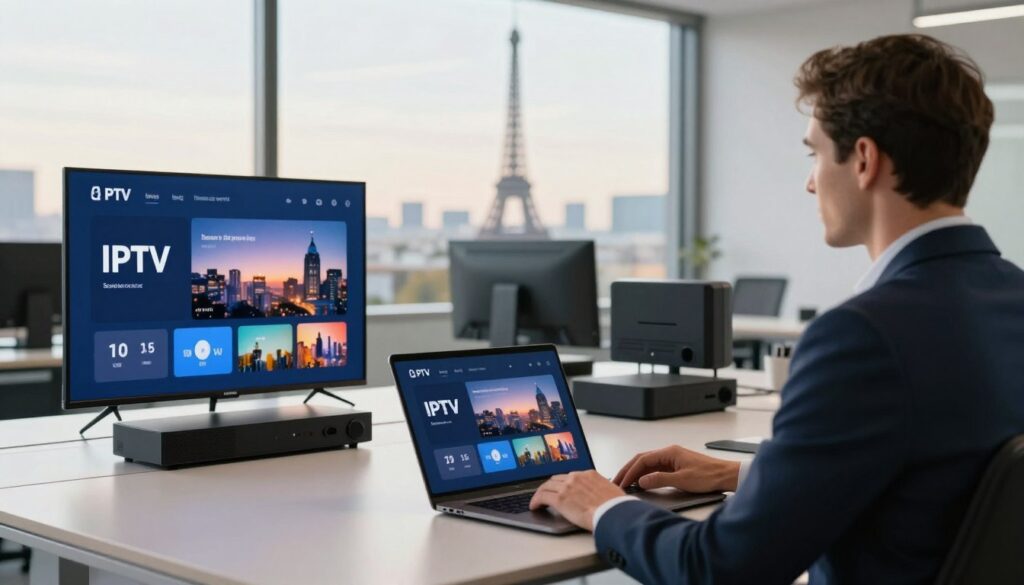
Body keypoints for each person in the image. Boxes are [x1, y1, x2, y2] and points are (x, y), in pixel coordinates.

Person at [529, 34, 1024, 584]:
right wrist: (741, 472)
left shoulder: (861, 337)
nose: (810, 181)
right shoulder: (1010, 301)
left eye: (814, 152)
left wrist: (600, 506)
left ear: (863, 160)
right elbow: (933, 480)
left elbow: (718, 569)